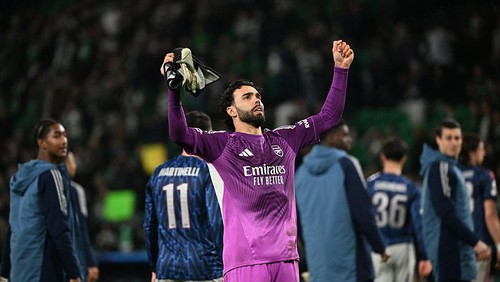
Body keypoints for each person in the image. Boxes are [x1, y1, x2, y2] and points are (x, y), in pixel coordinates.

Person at [162, 39, 353, 282]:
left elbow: (329, 117)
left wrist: (341, 69)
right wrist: (173, 91)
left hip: (286, 258)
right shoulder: (222, 145)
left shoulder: (285, 139)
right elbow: (180, 134)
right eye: (247, 97)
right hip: (245, 261)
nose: (256, 100)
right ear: (232, 111)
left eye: (257, 96)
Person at [295, 120, 390, 282]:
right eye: (345, 135)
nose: (349, 139)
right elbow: (363, 212)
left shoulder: (300, 173)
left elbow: (298, 222)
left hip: (319, 264)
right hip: (351, 262)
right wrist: (379, 246)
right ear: (330, 138)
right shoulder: (346, 164)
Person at [143, 111, 223, 282]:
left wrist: (154, 267)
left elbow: (149, 226)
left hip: (166, 266)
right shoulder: (208, 171)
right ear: (207, 135)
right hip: (205, 267)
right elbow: (216, 222)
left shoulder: (158, 172)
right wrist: (226, 262)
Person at [8, 118, 81, 281]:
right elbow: (59, 228)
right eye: (57, 136)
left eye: (65, 136)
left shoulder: (19, 178)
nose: (64, 141)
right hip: (43, 267)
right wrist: (74, 272)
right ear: (42, 143)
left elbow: (13, 227)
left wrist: (4, 271)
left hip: (19, 269)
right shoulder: (51, 175)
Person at [419, 118, 491, 281]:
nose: (454, 143)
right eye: (449, 138)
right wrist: (475, 242)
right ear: (438, 140)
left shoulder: (449, 167)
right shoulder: (441, 168)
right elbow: (446, 213)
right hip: (448, 249)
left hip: (455, 248)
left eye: (457, 138)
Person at [366, 136, 432, 281]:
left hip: (377, 247)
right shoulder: (411, 187)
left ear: (382, 157)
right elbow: (418, 224)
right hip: (403, 246)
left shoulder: (370, 185)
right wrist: (424, 256)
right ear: (404, 159)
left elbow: (364, 219)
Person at [459, 132, 500, 281]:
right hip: (479, 244)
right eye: (481, 149)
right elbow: (490, 214)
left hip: (454, 244)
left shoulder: (449, 174)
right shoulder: (485, 175)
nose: (484, 153)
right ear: (472, 152)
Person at [65, 152, 100, 282]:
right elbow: (81, 229)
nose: (75, 166)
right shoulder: (75, 190)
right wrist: (91, 261)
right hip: (73, 255)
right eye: (72, 162)